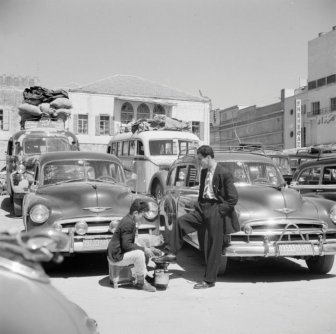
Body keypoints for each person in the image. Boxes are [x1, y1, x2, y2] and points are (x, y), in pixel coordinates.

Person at [158, 145, 239, 289]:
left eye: (200, 159)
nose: (199, 162)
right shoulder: (203, 172)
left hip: (216, 209)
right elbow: (202, 192)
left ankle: (209, 281)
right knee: (181, 222)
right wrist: (199, 206)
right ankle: (171, 252)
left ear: (208, 157)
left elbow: (233, 198)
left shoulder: (224, 173)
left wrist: (219, 211)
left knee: (213, 245)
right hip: (202, 208)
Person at [107, 199, 161, 292]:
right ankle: (141, 283)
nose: (142, 217)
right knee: (139, 254)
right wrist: (144, 249)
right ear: (136, 213)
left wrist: (146, 248)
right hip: (116, 257)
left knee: (141, 246)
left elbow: (129, 243)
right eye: (142, 215)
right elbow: (127, 246)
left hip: (116, 253)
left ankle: (142, 275)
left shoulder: (128, 219)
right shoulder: (128, 223)